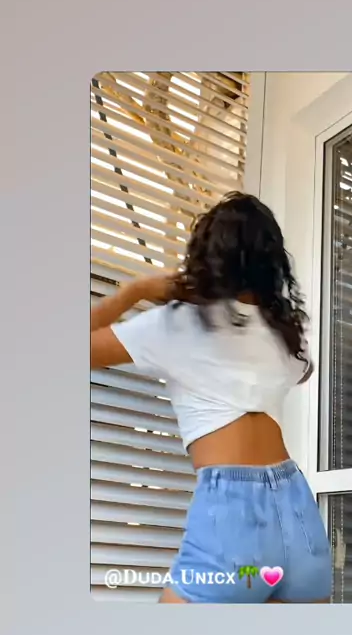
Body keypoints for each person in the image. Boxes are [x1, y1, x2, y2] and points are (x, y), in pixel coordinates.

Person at [91, 192, 332, 603]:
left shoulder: (177, 324)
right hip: (299, 514)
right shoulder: (286, 336)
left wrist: (137, 290)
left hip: (234, 518)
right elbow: (302, 372)